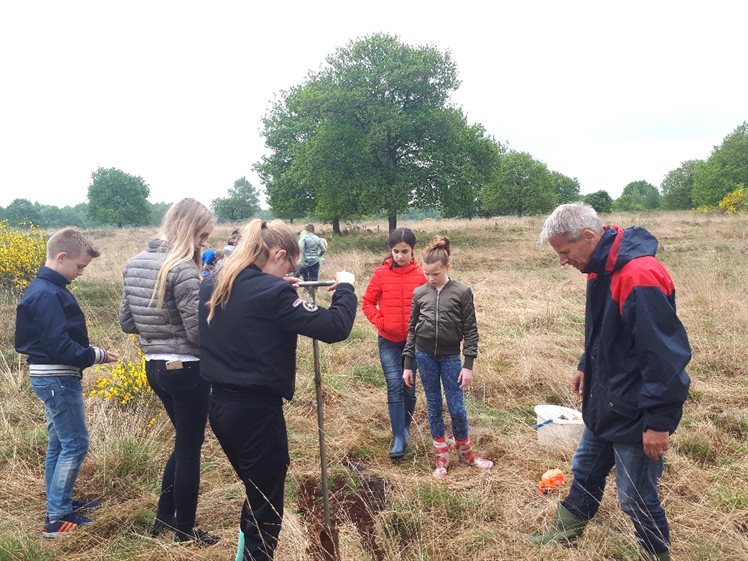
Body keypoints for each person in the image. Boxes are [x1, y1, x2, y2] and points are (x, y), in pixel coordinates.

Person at [528, 203, 691, 561]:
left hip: (636, 411)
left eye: (565, 252)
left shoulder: (640, 275)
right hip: (607, 400)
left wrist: (658, 423)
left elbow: (663, 356)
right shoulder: (599, 269)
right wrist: (587, 363)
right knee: (585, 468)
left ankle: (655, 555)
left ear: (588, 237)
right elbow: (605, 329)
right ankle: (563, 535)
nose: (562, 261)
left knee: (635, 497)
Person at [198, 219, 357, 561]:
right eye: (290, 264)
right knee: (267, 506)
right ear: (280, 254)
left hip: (220, 407)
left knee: (256, 492)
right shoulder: (273, 294)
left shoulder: (215, 284)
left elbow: (251, 308)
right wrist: (345, 288)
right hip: (256, 412)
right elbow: (335, 327)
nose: (292, 271)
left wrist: (279, 287)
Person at [119, 198, 219, 546]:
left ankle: (164, 518)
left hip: (154, 368)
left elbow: (126, 322)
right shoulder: (181, 268)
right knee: (191, 448)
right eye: (203, 236)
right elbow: (197, 332)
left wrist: (158, 328)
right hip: (188, 369)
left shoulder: (133, 264)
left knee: (183, 442)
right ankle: (185, 532)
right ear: (190, 229)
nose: (205, 244)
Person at [15, 228, 118, 538]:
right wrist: (95, 355)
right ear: (61, 257)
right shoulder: (47, 293)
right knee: (76, 444)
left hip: (52, 376)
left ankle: (57, 504)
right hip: (57, 377)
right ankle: (57, 518)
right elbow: (59, 345)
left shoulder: (48, 288)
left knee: (59, 444)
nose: (81, 273)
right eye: (79, 267)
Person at [403, 235, 493, 478]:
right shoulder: (420, 293)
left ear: (447, 267)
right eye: (427, 274)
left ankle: (467, 453)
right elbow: (412, 330)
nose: (430, 279)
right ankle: (441, 457)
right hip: (424, 357)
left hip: (451, 358)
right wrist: (408, 364)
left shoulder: (462, 292)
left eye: (435, 274)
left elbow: (471, 330)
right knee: (433, 405)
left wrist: (468, 364)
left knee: (457, 407)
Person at [362, 228, 426, 459]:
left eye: (404, 251)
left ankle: (405, 428)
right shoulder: (380, 274)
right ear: (391, 251)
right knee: (394, 384)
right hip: (388, 340)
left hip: (414, 343)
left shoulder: (421, 275)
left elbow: (429, 304)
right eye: (396, 251)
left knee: (408, 386)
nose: (400, 256)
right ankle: (398, 436)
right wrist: (382, 322)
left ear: (413, 250)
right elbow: (367, 303)